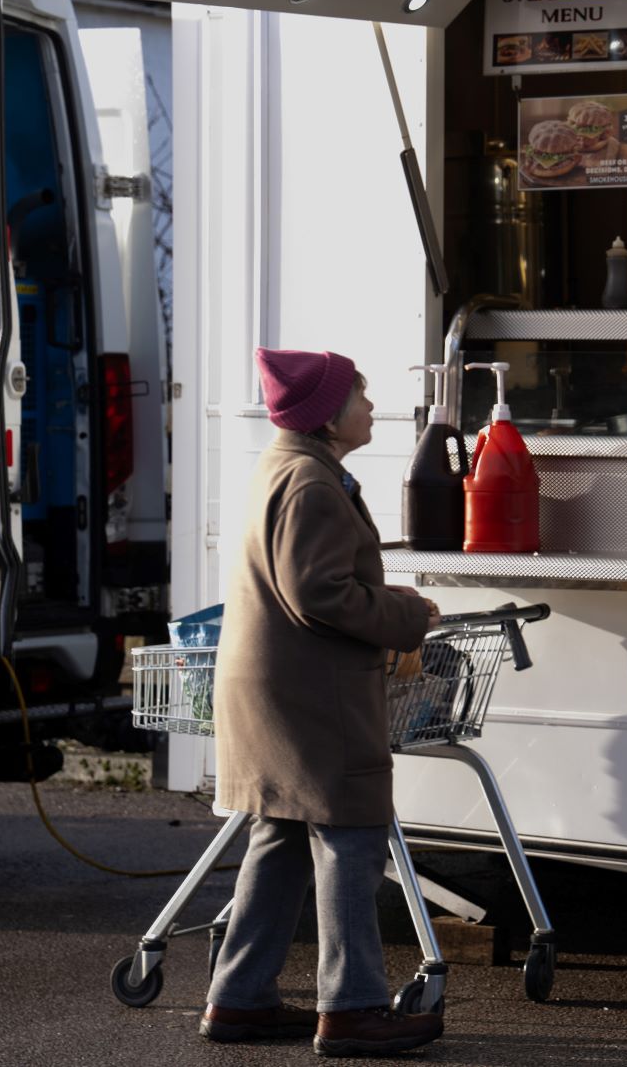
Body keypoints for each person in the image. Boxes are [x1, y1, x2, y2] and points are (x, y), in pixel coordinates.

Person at [200, 347, 444, 1058]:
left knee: (279, 836)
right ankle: (353, 1006)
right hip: (314, 695)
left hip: (273, 689)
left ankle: (238, 998)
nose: (369, 406)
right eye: (360, 396)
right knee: (352, 834)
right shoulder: (310, 483)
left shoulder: (283, 467)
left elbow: (304, 585)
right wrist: (402, 615)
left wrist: (389, 601)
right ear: (328, 416)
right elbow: (318, 594)